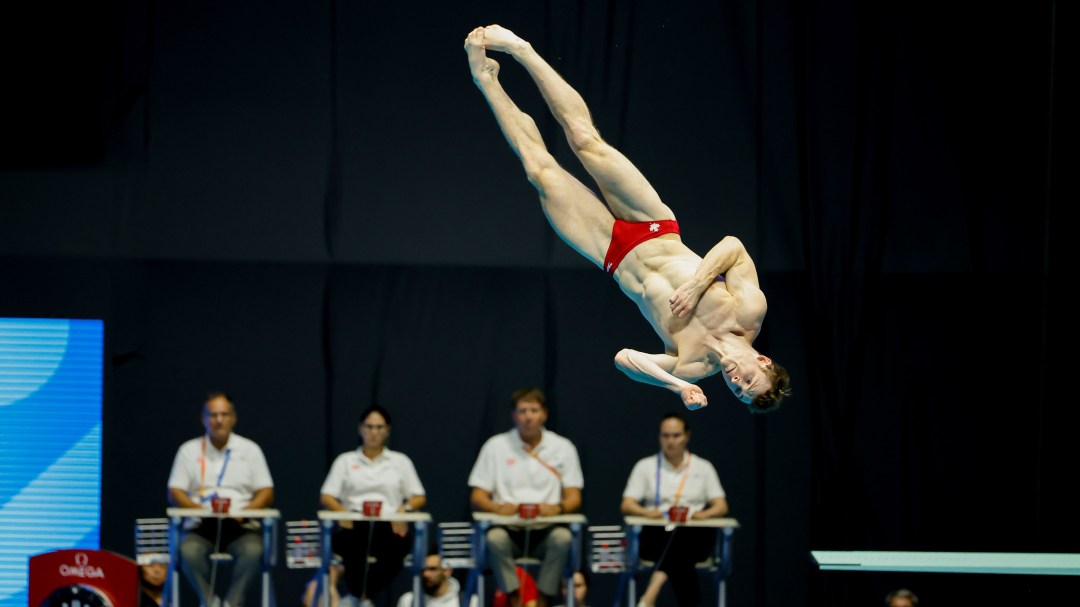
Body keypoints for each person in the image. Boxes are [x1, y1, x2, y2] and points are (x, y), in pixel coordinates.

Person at [463, 25, 790, 413]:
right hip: (653, 226)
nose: (736, 380)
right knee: (585, 140)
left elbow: (625, 359)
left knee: (539, 171)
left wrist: (676, 388)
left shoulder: (692, 366)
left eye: (737, 391)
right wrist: (698, 284)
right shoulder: (749, 310)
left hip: (612, 253)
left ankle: (486, 80)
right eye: (748, 379)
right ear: (763, 361)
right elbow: (734, 247)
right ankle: (522, 50)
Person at [468, 387, 584, 607]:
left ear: (544, 414)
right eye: (522, 411)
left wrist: (557, 509)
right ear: (514, 415)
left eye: (533, 410)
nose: (528, 416)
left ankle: (541, 600)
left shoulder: (562, 447)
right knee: (494, 539)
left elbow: (574, 498)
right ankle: (515, 598)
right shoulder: (495, 446)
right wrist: (497, 508)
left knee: (563, 538)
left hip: (546, 529)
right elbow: (477, 496)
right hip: (508, 529)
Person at [167, 392, 274, 607]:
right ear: (203, 418)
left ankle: (233, 604)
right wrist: (197, 509)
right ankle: (211, 603)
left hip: (240, 524)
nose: (218, 420)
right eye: (213, 415)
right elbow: (175, 492)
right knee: (187, 551)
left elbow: (266, 491)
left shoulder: (250, 450)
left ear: (233, 418)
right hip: (201, 524)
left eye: (224, 414)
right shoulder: (189, 451)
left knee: (254, 550)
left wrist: (245, 512)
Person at [321, 404, 427, 607]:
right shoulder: (345, 461)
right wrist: (342, 512)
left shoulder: (400, 461)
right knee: (353, 550)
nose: (374, 432)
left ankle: (358, 597)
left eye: (379, 427)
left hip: (389, 525)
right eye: (369, 427)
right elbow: (327, 496)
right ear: (360, 428)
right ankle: (360, 597)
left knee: (396, 550)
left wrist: (404, 510)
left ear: (387, 430)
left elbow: (419, 496)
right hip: (353, 524)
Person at [621, 414, 728, 607]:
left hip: (694, 535)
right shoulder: (645, 467)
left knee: (683, 537)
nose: (670, 441)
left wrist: (702, 515)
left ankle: (650, 595)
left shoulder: (703, 468)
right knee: (680, 556)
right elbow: (627, 504)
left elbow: (721, 505)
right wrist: (647, 513)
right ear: (659, 437)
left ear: (687, 436)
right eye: (666, 435)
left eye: (676, 435)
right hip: (655, 535)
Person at [396, 552, 476, 607]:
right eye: (423, 569)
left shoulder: (470, 602)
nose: (426, 574)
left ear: (447, 571)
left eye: (433, 569)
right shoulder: (408, 601)